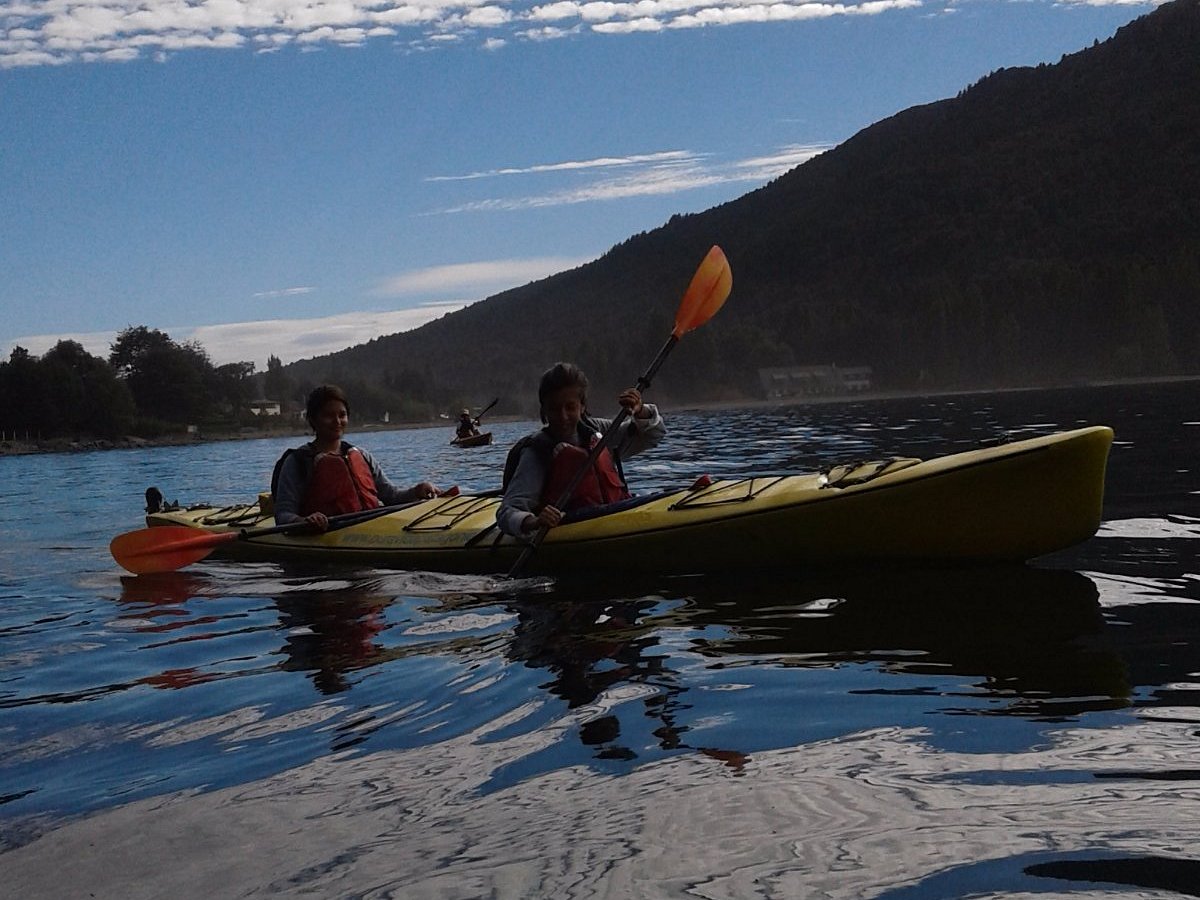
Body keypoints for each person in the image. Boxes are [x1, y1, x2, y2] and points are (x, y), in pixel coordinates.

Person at [497, 362, 665, 538]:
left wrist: (640, 411)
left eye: (570, 407)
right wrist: (534, 521)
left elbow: (653, 435)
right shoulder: (537, 452)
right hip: (571, 529)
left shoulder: (599, 432)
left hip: (616, 514)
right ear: (544, 410)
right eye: (554, 409)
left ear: (582, 406)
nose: (563, 416)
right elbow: (507, 511)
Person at [272, 384, 441, 532]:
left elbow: (391, 496)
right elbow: (283, 515)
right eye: (328, 415)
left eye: (342, 415)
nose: (337, 421)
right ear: (312, 420)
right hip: (328, 536)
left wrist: (417, 490)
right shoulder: (298, 462)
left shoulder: (362, 455)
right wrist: (304, 521)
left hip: (371, 528)